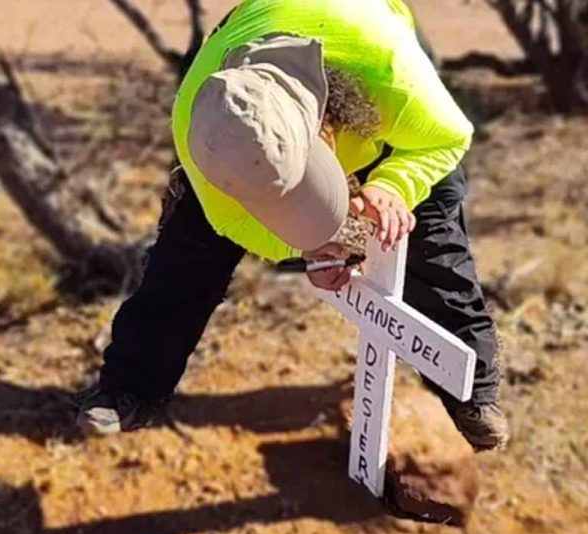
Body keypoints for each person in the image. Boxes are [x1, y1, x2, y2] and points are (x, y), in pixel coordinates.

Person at [74, 0, 509, 451]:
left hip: (368, 78)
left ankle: (471, 393)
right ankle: (130, 386)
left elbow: (448, 138)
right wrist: (317, 250)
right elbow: (236, 223)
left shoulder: (389, 71)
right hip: (244, 142)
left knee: (434, 249)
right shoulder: (204, 127)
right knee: (184, 261)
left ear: (328, 121)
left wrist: (395, 186)